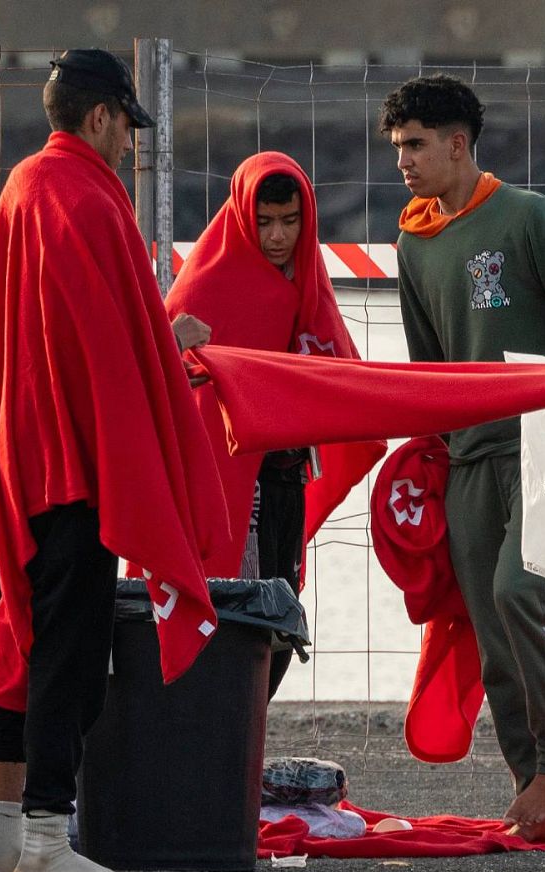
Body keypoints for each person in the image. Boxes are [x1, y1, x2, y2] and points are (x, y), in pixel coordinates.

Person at [0, 47, 226, 872]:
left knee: (26, 629)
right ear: (100, 117)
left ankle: (6, 837)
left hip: (22, 444)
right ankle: (47, 837)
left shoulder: (22, 187)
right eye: (126, 127)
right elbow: (111, 344)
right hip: (77, 455)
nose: (129, 145)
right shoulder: (91, 197)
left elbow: (71, 324)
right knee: (71, 651)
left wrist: (155, 331)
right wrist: (171, 339)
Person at [381, 73, 545, 840]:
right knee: (489, 629)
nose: (404, 161)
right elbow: (427, 370)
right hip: (470, 460)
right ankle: (533, 790)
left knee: (522, 594)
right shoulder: (413, 243)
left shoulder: (530, 216)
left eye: (416, 145)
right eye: (397, 147)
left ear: (458, 143)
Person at [164, 151, 385, 698]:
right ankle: (212, 723)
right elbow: (169, 377)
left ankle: (244, 732)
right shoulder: (206, 282)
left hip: (286, 476)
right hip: (224, 482)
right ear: (243, 215)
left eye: (290, 221)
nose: (278, 236)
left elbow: (337, 374)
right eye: (264, 222)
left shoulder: (309, 279)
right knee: (230, 607)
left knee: (279, 608)